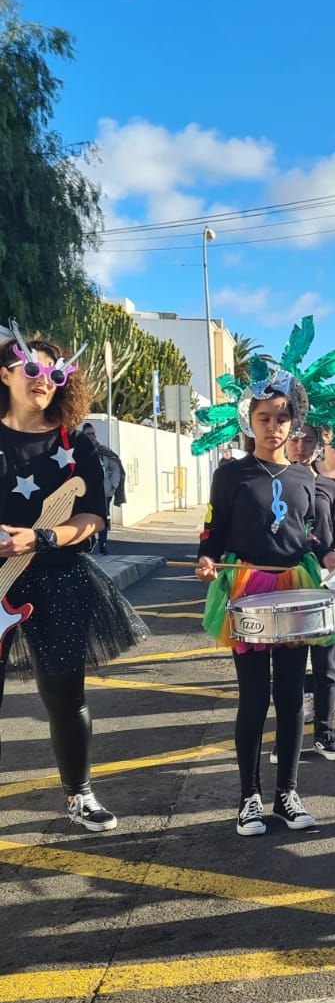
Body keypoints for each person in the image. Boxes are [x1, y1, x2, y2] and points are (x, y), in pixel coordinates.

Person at [0, 321, 145, 831]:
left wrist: (38, 539)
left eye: (52, 373)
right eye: (31, 368)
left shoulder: (76, 443)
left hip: (58, 578)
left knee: (65, 693)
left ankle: (80, 793)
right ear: (6, 373)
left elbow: (91, 520)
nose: (42, 379)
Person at [195, 370, 335, 836]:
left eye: (283, 418)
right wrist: (205, 558)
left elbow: (310, 534)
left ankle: (287, 792)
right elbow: (213, 531)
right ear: (250, 421)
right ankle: (249, 799)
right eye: (264, 417)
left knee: (289, 696)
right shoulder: (230, 474)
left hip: (295, 587)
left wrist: (328, 554)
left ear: (294, 422)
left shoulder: (306, 476)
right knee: (254, 698)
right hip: (248, 587)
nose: (274, 426)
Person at [285, 420, 335, 760]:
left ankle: (324, 730)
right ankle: (286, 739)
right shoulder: (273, 482)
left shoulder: (329, 487)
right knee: (290, 667)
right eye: (295, 438)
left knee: (327, 666)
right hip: (289, 583)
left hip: (324, 583)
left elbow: (331, 537)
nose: (301, 445)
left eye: (308, 439)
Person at [79, 423, 126, 555]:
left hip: (104, 492)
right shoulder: (78, 452)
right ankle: (91, 540)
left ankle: (103, 545)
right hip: (86, 492)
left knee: (102, 518)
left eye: (93, 434)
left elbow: (116, 468)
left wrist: (113, 485)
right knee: (87, 518)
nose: (92, 437)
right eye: (89, 434)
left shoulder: (103, 451)